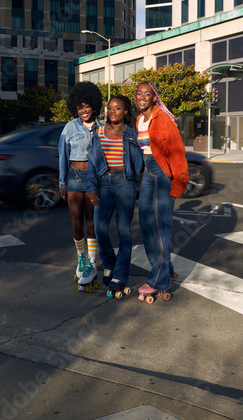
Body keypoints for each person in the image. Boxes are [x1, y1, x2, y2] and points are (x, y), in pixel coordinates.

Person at [135, 81, 189, 299]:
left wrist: (178, 183)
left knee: (159, 227)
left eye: (147, 94)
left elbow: (177, 152)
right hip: (148, 172)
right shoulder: (140, 119)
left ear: (154, 98)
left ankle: (160, 280)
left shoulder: (163, 118)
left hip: (163, 173)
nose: (142, 97)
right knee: (146, 224)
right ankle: (161, 270)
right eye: (139, 93)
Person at [85, 95, 143, 293]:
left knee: (124, 232)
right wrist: (91, 188)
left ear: (125, 111)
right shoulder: (98, 132)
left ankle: (120, 273)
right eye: (110, 108)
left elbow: (141, 159)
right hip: (103, 183)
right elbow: (92, 162)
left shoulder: (132, 134)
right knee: (100, 229)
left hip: (125, 183)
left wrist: (137, 179)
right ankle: (109, 262)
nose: (112, 111)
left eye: (117, 108)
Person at [59, 81, 103, 285]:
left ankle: (92, 263)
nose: (83, 110)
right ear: (74, 108)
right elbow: (62, 156)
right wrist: (62, 183)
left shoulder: (102, 128)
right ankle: (81, 259)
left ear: (94, 106)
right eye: (79, 107)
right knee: (76, 221)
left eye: (87, 106)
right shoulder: (69, 128)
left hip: (95, 179)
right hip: (74, 178)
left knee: (92, 222)